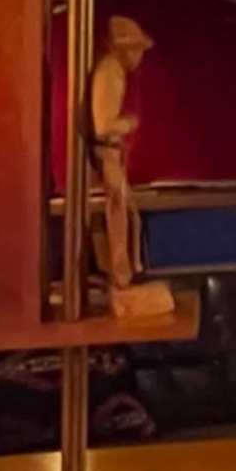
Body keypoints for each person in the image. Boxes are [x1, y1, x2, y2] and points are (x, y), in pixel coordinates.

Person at [87, 15, 154, 296]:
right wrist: (129, 123)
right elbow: (103, 125)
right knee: (120, 214)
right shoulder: (111, 72)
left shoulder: (114, 72)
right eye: (137, 49)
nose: (140, 56)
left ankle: (120, 273)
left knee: (120, 214)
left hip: (110, 152)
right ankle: (121, 275)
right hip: (107, 152)